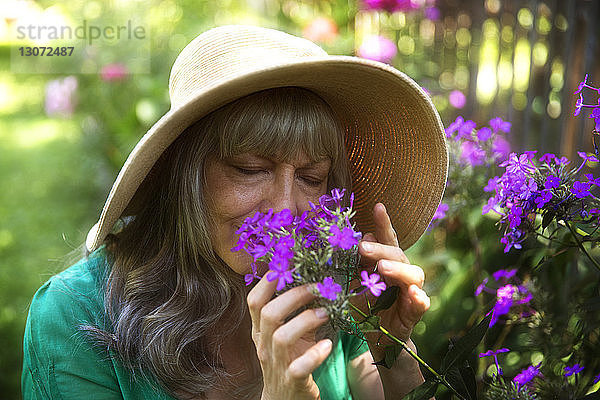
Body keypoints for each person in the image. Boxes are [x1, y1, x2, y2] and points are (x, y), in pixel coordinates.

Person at [22, 25, 447, 400]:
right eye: (250, 169)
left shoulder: (330, 290)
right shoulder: (74, 318)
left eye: (312, 177)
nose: (285, 208)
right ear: (185, 176)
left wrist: (393, 352)